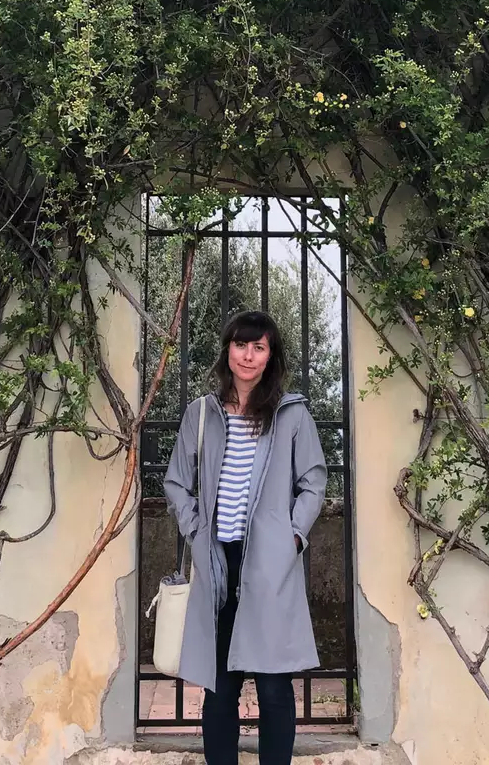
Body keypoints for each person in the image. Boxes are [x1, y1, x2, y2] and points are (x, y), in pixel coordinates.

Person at [164, 310, 327, 765]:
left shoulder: (291, 414)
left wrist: (292, 537)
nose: (248, 355)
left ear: (271, 355)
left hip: (269, 565)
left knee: (274, 687)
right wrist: (195, 530)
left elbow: (314, 482)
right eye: (241, 345)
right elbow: (177, 482)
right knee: (219, 688)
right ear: (227, 350)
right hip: (217, 561)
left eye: (259, 347)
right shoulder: (201, 413)